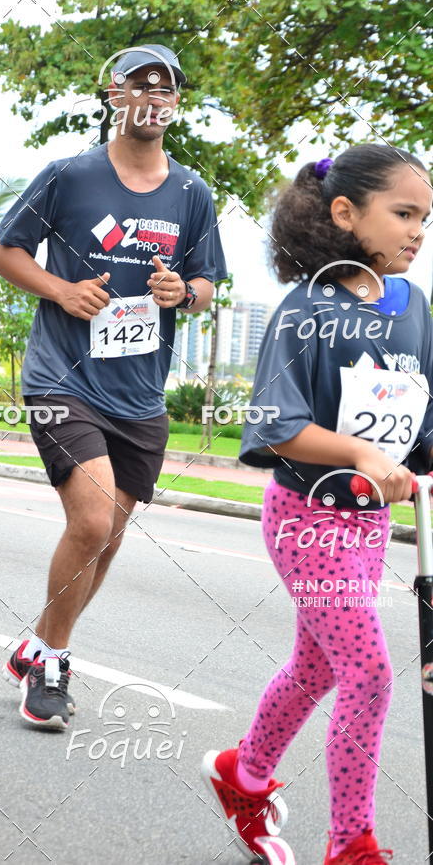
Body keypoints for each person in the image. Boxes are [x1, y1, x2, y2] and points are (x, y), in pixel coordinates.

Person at [201, 143, 433, 863]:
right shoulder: (307, 309)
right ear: (344, 213)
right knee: (367, 672)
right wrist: (362, 456)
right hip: (308, 521)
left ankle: (243, 775)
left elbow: (419, 426)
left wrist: (410, 458)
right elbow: (279, 426)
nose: (417, 232)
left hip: (369, 526)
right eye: (402, 214)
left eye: (426, 218)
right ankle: (351, 846)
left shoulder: (415, 307)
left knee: (319, 668)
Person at [0, 44, 227, 729]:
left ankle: (37, 645)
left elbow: (208, 282)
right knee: (89, 522)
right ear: (113, 95)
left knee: (109, 540)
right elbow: (3, 251)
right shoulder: (69, 175)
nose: (152, 95)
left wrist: (186, 292)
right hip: (63, 378)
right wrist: (61, 290)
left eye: (166, 86)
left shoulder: (192, 193)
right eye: (136, 84)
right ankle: (55, 665)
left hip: (141, 395)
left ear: (177, 102)